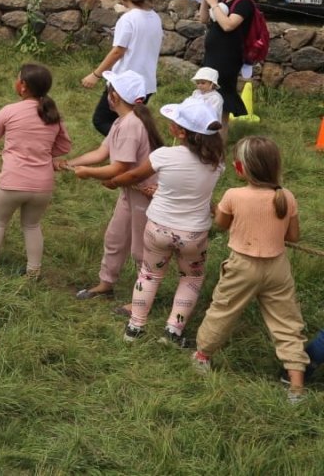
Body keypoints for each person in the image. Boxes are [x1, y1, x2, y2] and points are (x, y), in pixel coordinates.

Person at [192, 136, 309, 400]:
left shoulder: (234, 195)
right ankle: (297, 386)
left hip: (242, 266)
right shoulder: (286, 196)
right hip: (278, 267)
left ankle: (202, 355)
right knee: (287, 322)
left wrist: (219, 210)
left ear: (239, 168)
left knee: (223, 310)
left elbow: (221, 223)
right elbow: (293, 236)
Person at [102, 97, 224, 345]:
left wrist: (115, 181)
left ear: (180, 132)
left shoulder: (164, 156)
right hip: (193, 233)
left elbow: (136, 175)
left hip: (158, 226)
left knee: (148, 274)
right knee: (191, 278)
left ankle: (134, 328)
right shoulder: (216, 163)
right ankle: (172, 331)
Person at [62, 70, 164, 306]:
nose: (106, 95)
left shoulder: (131, 126)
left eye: (109, 90)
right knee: (115, 238)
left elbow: (119, 168)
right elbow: (101, 153)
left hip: (144, 195)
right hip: (129, 191)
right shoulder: (121, 121)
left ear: (115, 97)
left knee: (140, 249)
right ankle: (106, 283)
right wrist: (69, 163)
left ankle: (143, 299)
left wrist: (88, 173)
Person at [0, 63, 72, 277]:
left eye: (17, 78)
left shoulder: (10, 111)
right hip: (42, 186)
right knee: (32, 225)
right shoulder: (52, 114)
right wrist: (46, 153)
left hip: (12, 181)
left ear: (23, 86)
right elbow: (65, 145)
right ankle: (33, 272)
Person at [81, 0, 163, 136]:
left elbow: (118, 51)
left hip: (124, 83)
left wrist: (96, 74)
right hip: (146, 82)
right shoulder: (155, 17)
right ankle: (128, 151)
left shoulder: (128, 19)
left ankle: (132, 148)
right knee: (130, 121)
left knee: (102, 120)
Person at [200, 0, 255, 124]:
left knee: (221, 97)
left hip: (227, 57)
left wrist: (214, 4)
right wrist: (205, 0)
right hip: (213, 55)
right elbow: (203, 19)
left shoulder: (244, 2)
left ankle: (220, 139)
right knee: (207, 93)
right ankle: (208, 133)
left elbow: (228, 25)